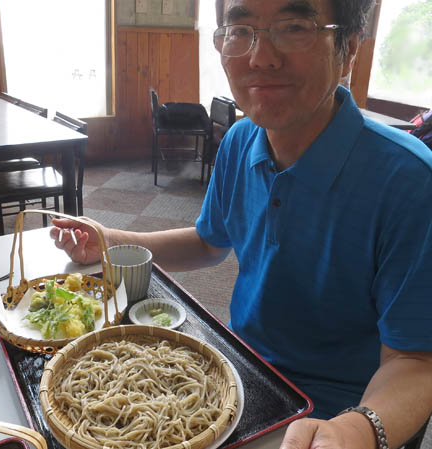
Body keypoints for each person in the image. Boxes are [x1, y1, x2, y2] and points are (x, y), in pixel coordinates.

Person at [51, 0, 432, 447]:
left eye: (294, 27)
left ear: (349, 48)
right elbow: (208, 241)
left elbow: (416, 359)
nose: (259, 57)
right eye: (240, 29)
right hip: (242, 373)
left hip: (341, 410)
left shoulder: (410, 182)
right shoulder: (240, 138)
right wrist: (110, 240)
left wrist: (356, 429)